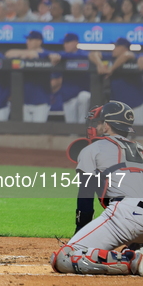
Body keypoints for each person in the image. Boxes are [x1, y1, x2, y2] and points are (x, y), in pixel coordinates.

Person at [51, 101, 143, 276]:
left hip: (126, 215)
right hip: (134, 217)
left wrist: (80, 233)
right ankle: (137, 251)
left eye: (98, 123)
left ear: (106, 125)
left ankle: (133, 262)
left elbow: (85, 196)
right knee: (132, 245)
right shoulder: (141, 149)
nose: (95, 127)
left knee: (64, 258)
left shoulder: (93, 149)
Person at [89, 38, 143, 123]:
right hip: (118, 108)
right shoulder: (111, 57)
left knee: (139, 134)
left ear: (125, 48)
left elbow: (127, 55)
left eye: (117, 46)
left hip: (136, 106)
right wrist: (99, 64)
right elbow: (93, 54)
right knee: (119, 134)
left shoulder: (133, 57)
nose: (114, 49)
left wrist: (111, 69)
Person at [5, 31, 54, 122]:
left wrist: (33, 54)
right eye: (27, 39)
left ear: (39, 41)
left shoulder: (47, 55)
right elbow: (8, 53)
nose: (28, 42)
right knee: (25, 132)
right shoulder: (24, 53)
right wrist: (26, 53)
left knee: (39, 131)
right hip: (24, 101)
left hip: (41, 101)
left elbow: (56, 81)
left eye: (31, 40)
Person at [50, 33, 90, 124]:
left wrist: (61, 56)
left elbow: (84, 55)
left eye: (68, 42)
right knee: (71, 127)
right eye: (64, 43)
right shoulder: (61, 57)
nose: (65, 45)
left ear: (76, 42)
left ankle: (83, 131)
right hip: (68, 96)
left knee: (84, 96)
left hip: (82, 94)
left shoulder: (83, 54)